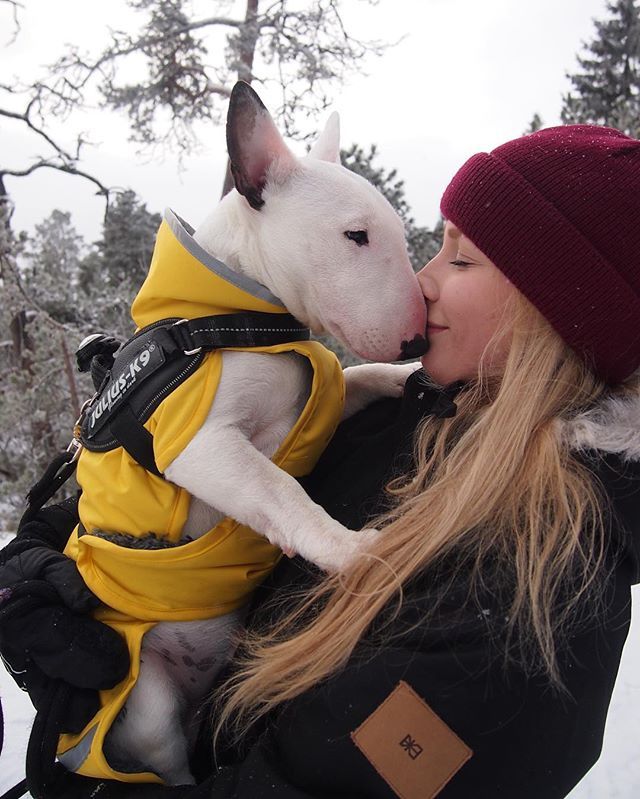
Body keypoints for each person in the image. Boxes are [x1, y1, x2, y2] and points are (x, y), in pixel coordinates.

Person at [1, 123, 639, 799]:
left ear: (556, 309)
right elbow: (188, 482)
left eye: (461, 258)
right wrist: (42, 546)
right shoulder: (403, 421)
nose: (420, 281)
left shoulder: (533, 609)